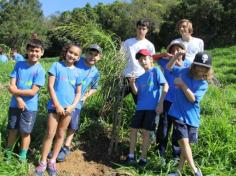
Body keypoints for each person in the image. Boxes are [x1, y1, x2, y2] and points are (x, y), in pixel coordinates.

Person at [35, 44, 82, 176]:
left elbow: (78, 93)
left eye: (75, 54)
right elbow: (50, 86)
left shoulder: (78, 72)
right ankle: (43, 162)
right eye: (70, 52)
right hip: (54, 107)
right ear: (66, 52)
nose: (72, 55)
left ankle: (52, 161)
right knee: (50, 133)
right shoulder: (56, 66)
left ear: (78, 58)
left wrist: (72, 106)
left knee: (61, 134)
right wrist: (57, 105)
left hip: (69, 110)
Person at [167, 51, 213, 176]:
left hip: (193, 118)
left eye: (204, 67)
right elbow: (169, 67)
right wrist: (176, 57)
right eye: (198, 65)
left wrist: (182, 85)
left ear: (208, 69)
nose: (201, 68)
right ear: (194, 65)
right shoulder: (184, 72)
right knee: (184, 143)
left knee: (184, 148)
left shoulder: (203, 84)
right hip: (178, 114)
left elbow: (192, 99)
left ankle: (178, 171)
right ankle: (195, 171)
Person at [55, 44, 102, 162]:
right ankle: (56, 147)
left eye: (96, 55)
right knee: (59, 124)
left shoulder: (95, 72)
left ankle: (66, 146)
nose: (92, 57)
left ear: (99, 58)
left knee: (72, 126)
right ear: (85, 54)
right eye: (90, 54)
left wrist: (86, 95)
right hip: (63, 98)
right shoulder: (77, 61)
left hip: (77, 102)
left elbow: (95, 87)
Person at [126, 49, 169, 167]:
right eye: (140, 60)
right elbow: (137, 93)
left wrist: (160, 103)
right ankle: (131, 155)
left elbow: (165, 85)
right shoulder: (140, 77)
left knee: (146, 132)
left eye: (145, 59)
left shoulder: (156, 70)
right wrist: (132, 84)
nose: (143, 61)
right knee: (133, 130)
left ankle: (143, 159)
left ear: (150, 59)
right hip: (140, 108)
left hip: (151, 108)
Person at [7, 39, 46, 161]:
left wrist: (15, 92)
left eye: (36, 51)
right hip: (14, 104)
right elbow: (11, 84)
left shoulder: (40, 70)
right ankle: (8, 153)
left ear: (42, 53)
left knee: (25, 132)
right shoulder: (19, 65)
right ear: (27, 51)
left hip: (30, 107)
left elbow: (33, 92)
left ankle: (22, 156)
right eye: (31, 50)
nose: (34, 53)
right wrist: (18, 99)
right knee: (12, 130)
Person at [154, 41, 191, 162]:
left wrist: (178, 60)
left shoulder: (187, 64)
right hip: (167, 100)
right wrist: (164, 54)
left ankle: (176, 155)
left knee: (178, 129)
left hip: (180, 103)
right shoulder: (166, 62)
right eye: (173, 50)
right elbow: (152, 58)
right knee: (163, 127)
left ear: (183, 52)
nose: (175, 52)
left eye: (178, 50)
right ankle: (161, 153)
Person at [121, 19, 156, 103]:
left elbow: (151, 62)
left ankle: (140, 116)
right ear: (136, 28)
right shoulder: (127, 42)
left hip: (141, 77)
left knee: (140, 102)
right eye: (139, 28)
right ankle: (103, 115)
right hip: (126, 76)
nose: (141, 31)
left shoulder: (149, 45)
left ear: (147, 30)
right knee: (114, 100)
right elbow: (121, 58)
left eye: (143, 29)